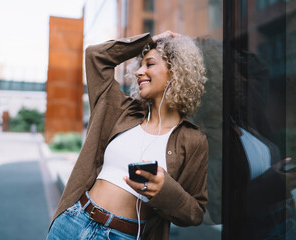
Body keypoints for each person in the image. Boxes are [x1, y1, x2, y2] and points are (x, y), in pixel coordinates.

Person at [46, 30, 209, 240]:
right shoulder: (120, 109)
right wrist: (149, 41)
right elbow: (96, 56)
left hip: (122, 235)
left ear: (175, 71)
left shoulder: (193, 140)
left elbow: (195, 213)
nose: (139, 72)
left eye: (149, 64)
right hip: (73, 221)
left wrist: (164, 190)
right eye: (140, 65)